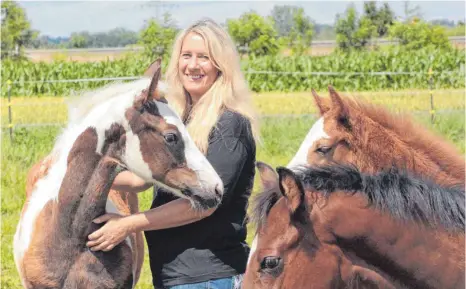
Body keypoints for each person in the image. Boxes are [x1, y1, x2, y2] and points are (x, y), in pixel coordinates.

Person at [86, 18, 260, 289]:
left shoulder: (230, 125)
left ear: (220, 66)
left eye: (204, 57)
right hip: (174, 275)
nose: (192, 65)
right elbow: (140, 180)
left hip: (209, 276)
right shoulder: (181, 121)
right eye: (186, 55)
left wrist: (128, 224)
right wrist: (87, 171)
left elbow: (203, 206)